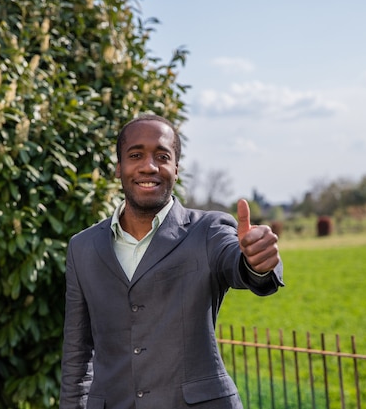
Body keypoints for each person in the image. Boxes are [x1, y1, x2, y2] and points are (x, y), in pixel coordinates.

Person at [60, 114, 284, 409]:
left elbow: (237, 262)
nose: (149, 166)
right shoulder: (83, 247)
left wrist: (256, 263)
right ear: (119, 167)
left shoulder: (208, 230)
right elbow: (77, 354)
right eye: (136, 155)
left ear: (176, 168)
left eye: (162, 156)